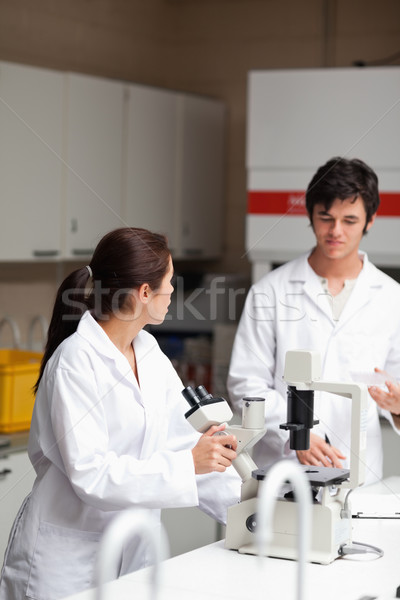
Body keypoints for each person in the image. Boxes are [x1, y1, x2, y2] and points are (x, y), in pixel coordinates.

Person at [0, 227, 240, 600]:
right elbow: (92, 475)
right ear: (144, 292)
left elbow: (188, 444)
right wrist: (189, 464)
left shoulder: (148, 352)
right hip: (66, 564)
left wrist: (253, 514)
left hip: (130, 560)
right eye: (169, 282)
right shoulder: (76, 361)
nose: (173, 291)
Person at [227, 157, 400, 485]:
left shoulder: (392, 298)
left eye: (349, 220)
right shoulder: (271, 291)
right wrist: (296, 435)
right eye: (326, 218)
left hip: (360, 472)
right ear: (310, 216)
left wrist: (397, 405)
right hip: (284, 472)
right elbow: (245, 384)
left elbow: (395, 384)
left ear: (371, 220)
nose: (336, 231)